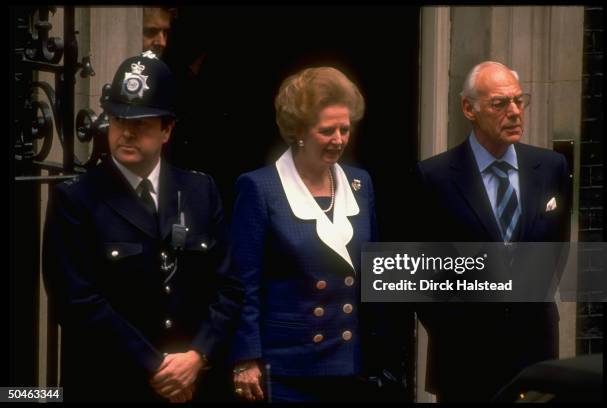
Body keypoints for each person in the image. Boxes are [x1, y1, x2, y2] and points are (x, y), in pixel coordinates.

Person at [42, 51, 243, 402]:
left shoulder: (199, 191)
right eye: (118, 121)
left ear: (167, 130)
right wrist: (155, 365)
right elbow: (77, 303)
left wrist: (198, 355)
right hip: (111, 383)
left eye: (142, 124)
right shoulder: (76, 199)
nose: (126, 134)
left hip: (193, 382)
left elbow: (228, 285)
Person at [415, 61, 571, 402]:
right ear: (469, 108)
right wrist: (456, 331)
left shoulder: (551, 167)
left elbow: (558, 249)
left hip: (536, 352)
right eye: (500, 104)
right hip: (465, 359)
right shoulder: (434, 177)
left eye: (519, 101)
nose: (514, 112)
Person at [228, 67, 386, 402]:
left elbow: (372, 273)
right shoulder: (260, 188)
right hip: (287, 367)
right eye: (327, 130)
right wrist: (245, 357)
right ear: (299, 131)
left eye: (345, 129)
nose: (339, 140)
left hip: (348, 364)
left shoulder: (361, 184)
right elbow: (245, 283)